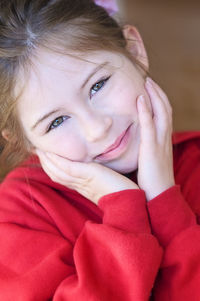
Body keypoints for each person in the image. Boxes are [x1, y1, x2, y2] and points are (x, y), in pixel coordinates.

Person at [0, 0, 200, 300]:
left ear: (134, 50)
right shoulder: (19, 212)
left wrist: (162, 196)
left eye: (98, 85)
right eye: (56, 122)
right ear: (23, 141)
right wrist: (123, 211)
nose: (97, 129)